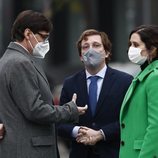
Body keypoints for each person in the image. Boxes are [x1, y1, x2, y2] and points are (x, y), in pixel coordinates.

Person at [0, 10, 88, 158]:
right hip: (29, 150)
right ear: (28, 34)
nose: (45, 43)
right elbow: (35, 110)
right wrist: (70, 109)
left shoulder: (7, 60)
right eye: (43, 37)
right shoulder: (20, 63)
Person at [58, 29, 133, 158]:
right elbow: (60, 123)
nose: (90, 50)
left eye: (96, 45)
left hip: (113, 153)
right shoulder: (70, 83)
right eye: (85, 47)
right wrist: (79, 131)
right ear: (81, 56)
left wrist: (101, 133)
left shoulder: (125, 81)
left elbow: (130, 119)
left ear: (107, 52)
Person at [119, 25, 158, 158]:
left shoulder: (154, 77)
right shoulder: (144, 74)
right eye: (130, 44)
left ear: (152, 49)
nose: (131, 49)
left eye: (136, 45)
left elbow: (156, 126)